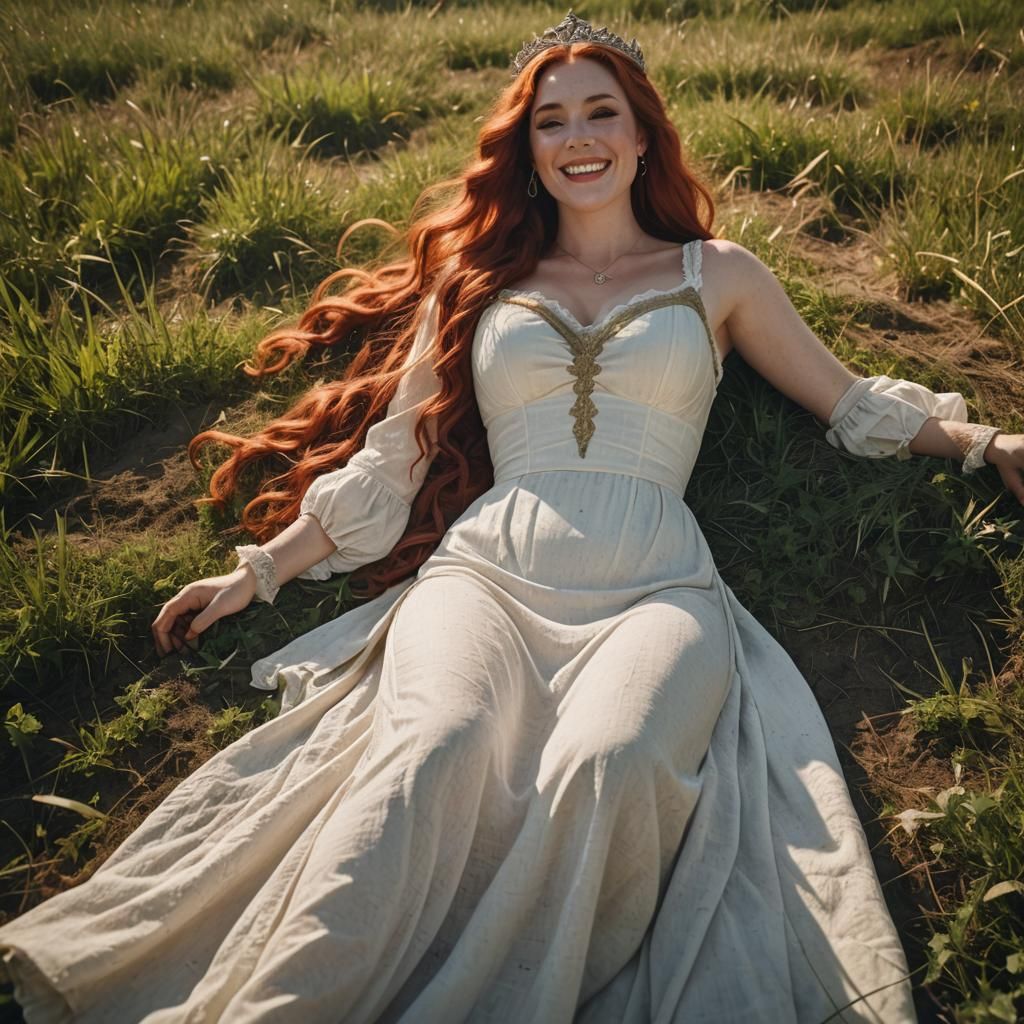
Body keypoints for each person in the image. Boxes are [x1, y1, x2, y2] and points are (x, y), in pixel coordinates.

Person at [2, 10, 1022, 1023]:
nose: (577, 138)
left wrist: (983, 444)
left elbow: (843, 401)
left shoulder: (718, 275)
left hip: (655, 589)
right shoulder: (478, 281)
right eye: (551, 121)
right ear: (525, 148)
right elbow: (391, 460)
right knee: (434, 745)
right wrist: (258, 571)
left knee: (609, 762)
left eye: (599, 114)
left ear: (640, 133)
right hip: (484, 576)